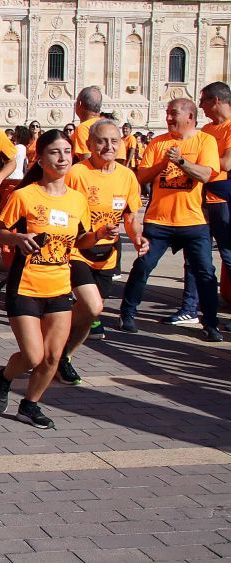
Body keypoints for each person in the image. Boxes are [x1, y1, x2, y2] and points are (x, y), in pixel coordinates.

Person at [0, 129, 109, 429]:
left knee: (53, 357)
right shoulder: (24, 196)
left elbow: (81, 242)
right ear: (40, 159)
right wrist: (18, 239)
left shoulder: (78, 200)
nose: (63, 157)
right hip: (26, 285)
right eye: (55, 152)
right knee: (33, 355)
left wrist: (99, 235)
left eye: (67, 152)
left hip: (59, 287)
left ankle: (30, 405)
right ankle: (4, 377)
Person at [119, 98, 223, 342]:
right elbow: (141, 176)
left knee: (206, 271)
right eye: (167, 113)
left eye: (173, 113)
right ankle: (128, 312)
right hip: (159, 220)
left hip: (194, 221)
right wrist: (165, 162)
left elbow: (207, 174)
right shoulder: (158, 143)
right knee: (143, 266)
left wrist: (182, 162)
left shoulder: (205, 141)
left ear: (190, 116)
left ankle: (210, 323)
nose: (168, 118)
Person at [57, 119, 146, 383]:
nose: (108, 146)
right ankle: (54, 346)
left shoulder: (127, 176)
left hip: (107, 255)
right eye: (102, 141)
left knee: (90, 313)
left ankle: (63, 355)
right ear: (90, 144)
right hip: (78, 251)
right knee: (92, 305)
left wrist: (138, 237)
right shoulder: (77, 173)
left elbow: (130, 216)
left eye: (114, 141)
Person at [166, 84, 231, 329]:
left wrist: (196, 162)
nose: (200, 105)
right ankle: (189, 308)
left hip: (222, 200)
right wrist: (199, 163)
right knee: (194, 257)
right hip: (200, 199)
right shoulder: (207, 130)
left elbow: (224, 163)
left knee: (228, 255)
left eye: (203, 100)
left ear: (215, 100)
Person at [72, 86, 127, 164]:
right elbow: (120, 158)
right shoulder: (110, 126)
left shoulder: (84, 128)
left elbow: (86, 161)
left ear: (79, 104)